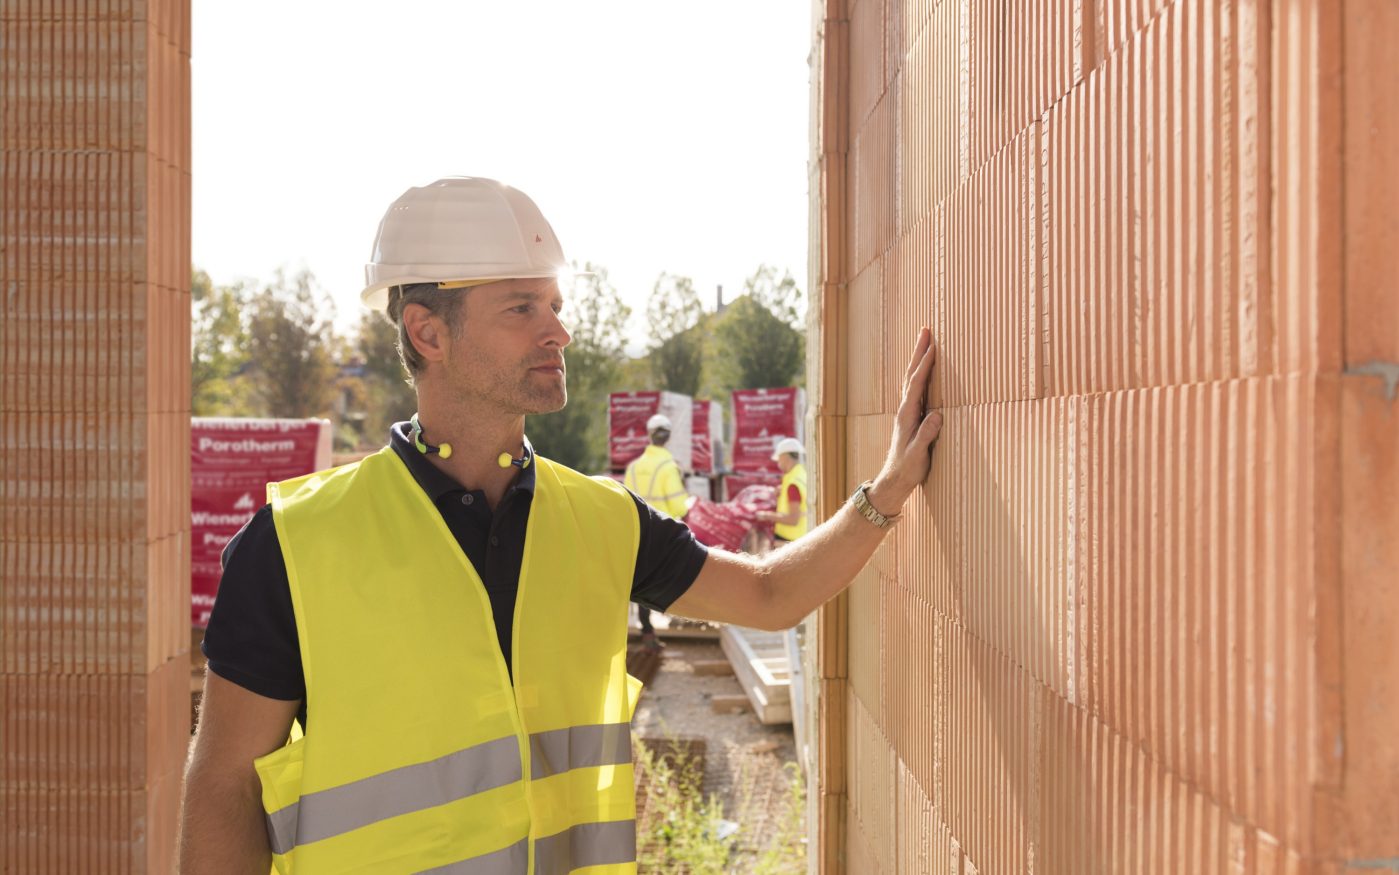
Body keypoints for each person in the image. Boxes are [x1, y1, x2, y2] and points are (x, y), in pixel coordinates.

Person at [179, 176, 943, 875]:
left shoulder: (600, 518)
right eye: (522, 307)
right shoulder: (295, 545)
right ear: (428, 332)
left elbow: (772, 595)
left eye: (556, 304)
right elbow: (221, 788)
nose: (559, 332)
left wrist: (887, 490)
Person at [622, 413, 690, 651]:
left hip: (636, 530)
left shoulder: (633, 467)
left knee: (639, 581)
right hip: (663, 534)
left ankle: (647, 631)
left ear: (649, 436)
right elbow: (679, 506)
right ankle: (676, 616)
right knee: (668, 577)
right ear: (668, 437)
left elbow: (624, 499)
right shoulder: (668, 467)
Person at [756, 436, 809, 545]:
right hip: (801, 538)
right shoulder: (801, 475)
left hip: (789, 542)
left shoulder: (792, 484)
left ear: (785, 457)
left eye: (779, 458)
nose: (778, 462)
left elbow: (793, 519)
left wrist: (766, 515)